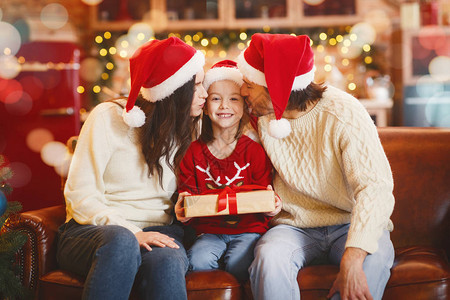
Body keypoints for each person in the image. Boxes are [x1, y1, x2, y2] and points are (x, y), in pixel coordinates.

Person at [236, 33, 395, 300]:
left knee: (371, 261)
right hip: (292, 227)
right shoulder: (258, 118)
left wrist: (353, 257)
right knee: (269, 258)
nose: (243, 92)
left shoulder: (342, 111)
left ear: (274, 86)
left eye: (249, 85)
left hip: (349, 222)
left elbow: (375, 188)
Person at [56, 37, 207, 300]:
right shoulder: (107, 117)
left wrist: (186, 206)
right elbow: (81, 197)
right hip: (93, 231)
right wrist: (133, 232)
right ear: (174, 91)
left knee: (168, 261)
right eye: (196, 86)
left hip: (159, 232)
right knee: (122, 241)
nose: (205, 93)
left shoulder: (189, 128)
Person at [174, 60, 282, 282]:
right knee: (198, 260)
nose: (224, 106)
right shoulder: (191, 153)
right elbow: (187, 199)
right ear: (204, 107)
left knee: (239, 263)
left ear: (244, 106)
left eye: (233, 99)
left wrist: (272, 207)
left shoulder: (255, 152)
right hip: (208, 232)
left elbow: (264, 195)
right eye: (216, 98)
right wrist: (184, 211)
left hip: (249, 230)